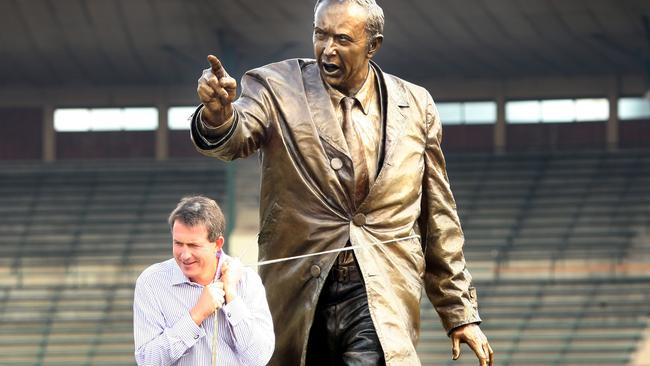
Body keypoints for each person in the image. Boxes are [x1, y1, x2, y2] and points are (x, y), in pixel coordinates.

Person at [191, 0, 494, 365]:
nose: (327, 49)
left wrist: (460, 311)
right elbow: (236, 137)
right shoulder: (275, 87)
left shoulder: (415, 106)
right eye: (320, 34)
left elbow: (438, 217)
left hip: (379, 287)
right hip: (297, 288)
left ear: (373, 45)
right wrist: (218, 115)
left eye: (343, 39)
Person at [133, 196, 274, 366]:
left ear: (218, 243)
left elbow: (259, 358)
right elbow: (147, 361)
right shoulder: (151, 282)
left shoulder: (247, 281)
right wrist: (197, 315)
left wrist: (231, 295)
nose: (184, 255)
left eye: (193, 245)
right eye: (178, 243)